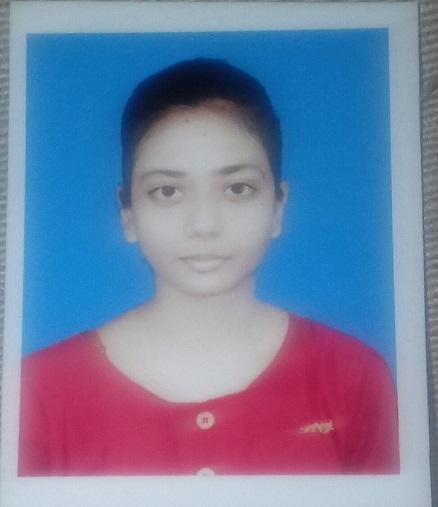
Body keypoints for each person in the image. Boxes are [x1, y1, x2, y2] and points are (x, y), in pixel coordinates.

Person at [18, 58, 399, 476]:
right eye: (167, 191)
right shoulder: (36, 393)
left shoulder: (353, 377)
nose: (203, 225)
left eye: (238, 188)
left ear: (278, 207)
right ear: (127, 213)